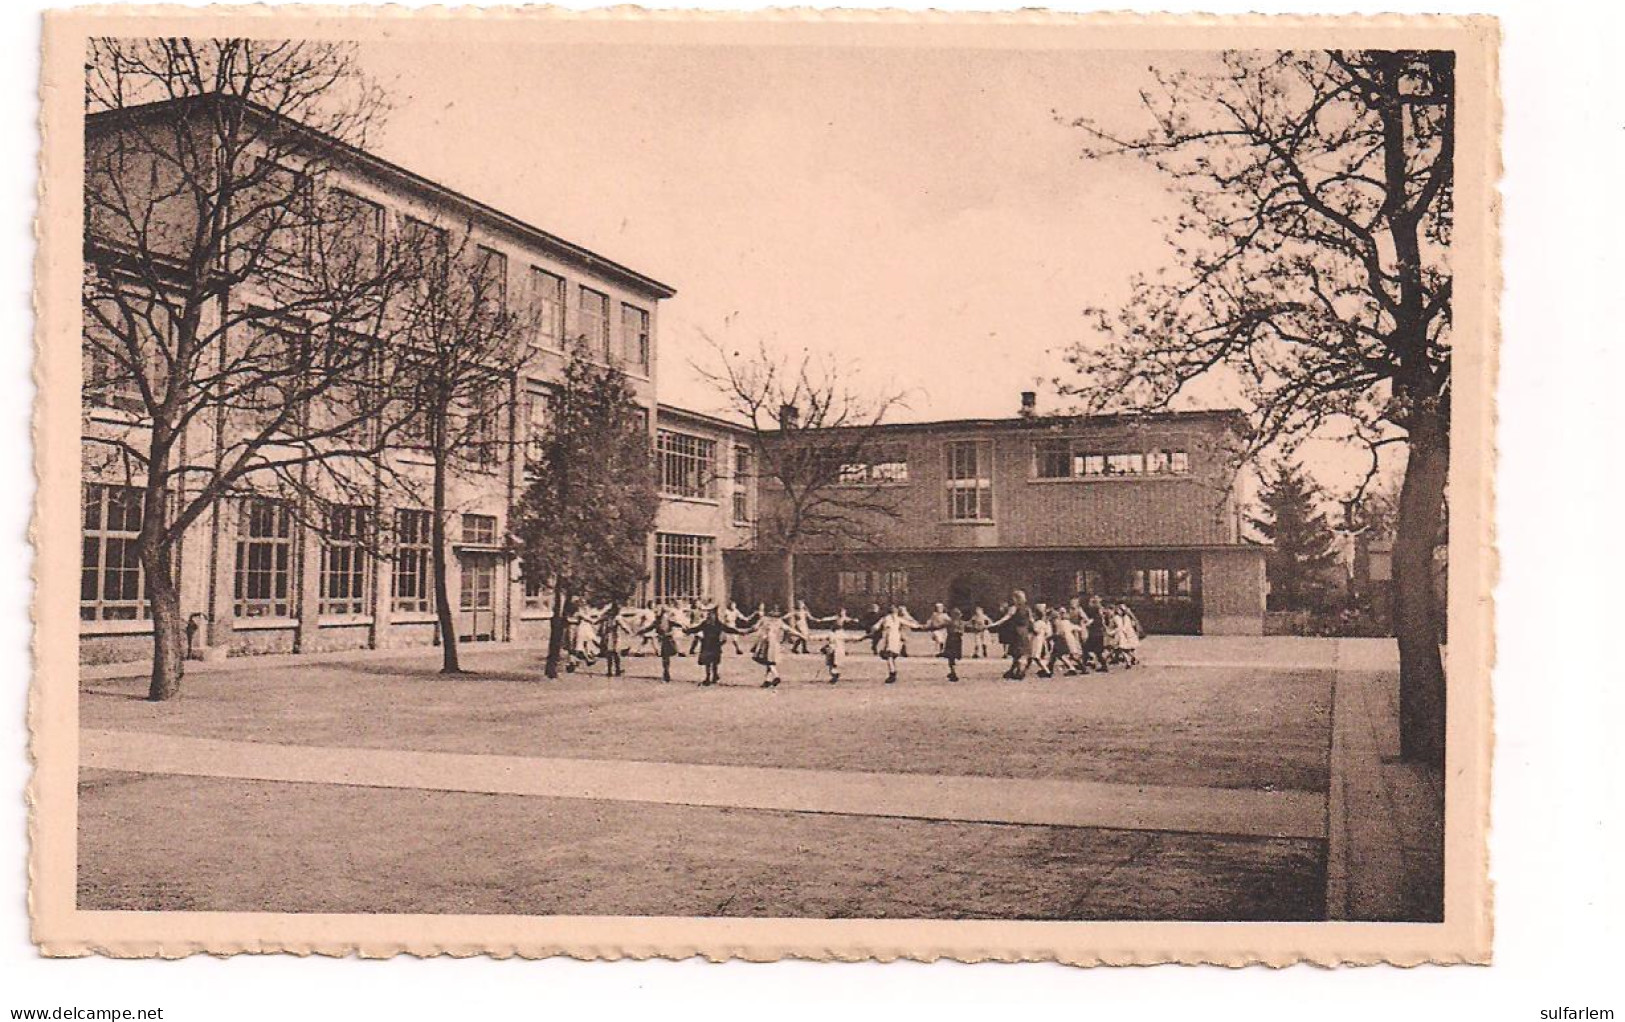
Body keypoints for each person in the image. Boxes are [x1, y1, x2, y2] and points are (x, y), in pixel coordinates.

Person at [684, 605, 746, 686]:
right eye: (709, 615)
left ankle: (714, 676)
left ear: (715, 616)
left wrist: (739, 632)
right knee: (707, 663)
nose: (709, 617)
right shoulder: (705, 624)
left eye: (711, 615)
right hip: (706, 645)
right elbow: (696, 629)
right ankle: (708, 677)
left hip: (715, 645)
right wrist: (687, 631)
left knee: (714, 663)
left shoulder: (718, 624)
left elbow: (728, 629)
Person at [749, 606, 806, 688]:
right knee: (770, 660)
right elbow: (789, 629)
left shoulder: (764, 619)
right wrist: (800, 635)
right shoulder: (779, 621)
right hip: (774, 642)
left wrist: (745, 631)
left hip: (765, 641)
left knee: (768, 661)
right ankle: (767, 681)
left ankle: (776, 676)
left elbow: (754, 627)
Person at [986, 591, 1035, 680]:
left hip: (1017, 631)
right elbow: (1031, 620)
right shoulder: (1027, 608)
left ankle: (1020, 672)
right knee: (1021, 653)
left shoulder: (1014, 608)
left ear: (1016, 598)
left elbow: (1006, 618)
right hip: (1025, 631)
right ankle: (1012, 671)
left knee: (1018, 653)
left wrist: (994, 624)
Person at [811, 608, 857, 684]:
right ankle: (835, 673)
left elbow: (849, 620)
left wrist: (854, 620)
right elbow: (829, 619)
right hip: (836, 635)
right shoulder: (836, 618)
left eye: (843, 612)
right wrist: (821, 620)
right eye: (841, 612)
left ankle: (835, 674)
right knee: (834, 658)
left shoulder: (844, 618)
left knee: (833, 660)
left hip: (837, 635)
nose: (842, 614)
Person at [639, 606, 682, 682]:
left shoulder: (665, 620)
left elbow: (677, 624)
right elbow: (649, 628)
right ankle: (666, 673)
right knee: (665, 658)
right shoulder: (658, 621)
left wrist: (684, 628)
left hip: (668, 640)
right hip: (665, 640)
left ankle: (666, 673)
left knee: (666, 657)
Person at [869, 604, 908, 684]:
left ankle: (892, 673)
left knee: (889, 656)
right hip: (895, 638)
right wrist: (922, 626)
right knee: (891, 656)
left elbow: (876, 626)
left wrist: (872, 632)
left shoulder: (886, 618)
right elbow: (911, 624)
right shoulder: (897, 619)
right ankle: (892, 671)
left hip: (890, 638)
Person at [1082, 595, 1111, 673]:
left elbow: (1088, 624)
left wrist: (1084, 624)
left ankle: (1083, 667)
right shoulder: (1100, 617)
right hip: (1099, 635)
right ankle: (1104, 666)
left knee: (1086, 649)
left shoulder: (1094, 618)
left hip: (1094, 635)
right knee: (1098, 652)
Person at [939, 606, 968, 682]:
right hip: (958, 640)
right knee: (954, 656)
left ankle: (953, 672)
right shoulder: (961, 623)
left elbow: (938, 626)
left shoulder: (949, 622)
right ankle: (953, 672)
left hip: (951, 639)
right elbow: (962, 631)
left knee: (950, 657)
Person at [1115, 602, 1143, 668]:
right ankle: (1132, 660)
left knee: (1123, 648)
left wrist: (1120, 631)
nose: (1117, 612)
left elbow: (1125, 627)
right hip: (1128, 634)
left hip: (1127, 635)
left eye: (1119, 610)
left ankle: (1130, 661)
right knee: (1125, 649)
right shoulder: (1125, 617)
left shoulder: (1125, 617)